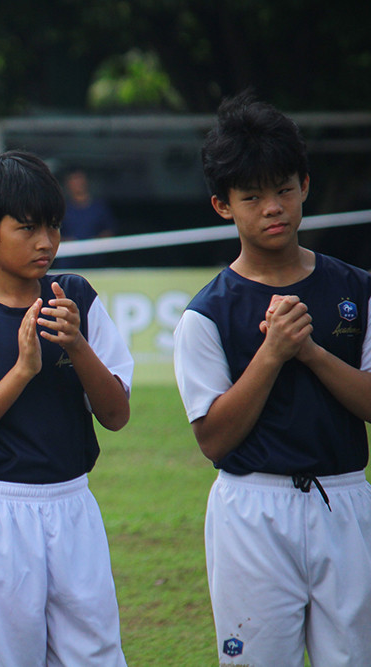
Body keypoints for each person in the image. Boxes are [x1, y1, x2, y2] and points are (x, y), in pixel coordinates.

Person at [173, 91, 371, 666]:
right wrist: (272, 354)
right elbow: (213, 438)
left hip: (346, 498)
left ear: (305, 185)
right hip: (252, 507)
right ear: (222, 205)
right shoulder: (206, 314)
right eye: (252, 196)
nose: (273, 208)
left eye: (284, 189)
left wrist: (308, 352)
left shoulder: (356, 289)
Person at [0, 150, 133, 666]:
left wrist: (77, 346)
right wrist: (21, 372)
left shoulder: (76, 297)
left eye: (54, 226)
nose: (46, 242)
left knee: (93, 653)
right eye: (28, 228)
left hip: (72, 505)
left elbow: (116, 414)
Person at [57, 167, 118, 269]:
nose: (77, 183)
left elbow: (109, 231)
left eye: (79, 179)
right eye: (73, 180)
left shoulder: (99, 207)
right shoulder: (61, 209)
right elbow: (53, 234)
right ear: (68, 184)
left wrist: (95, 242)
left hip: (96, 262)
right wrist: (69, 242)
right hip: (69, 261)